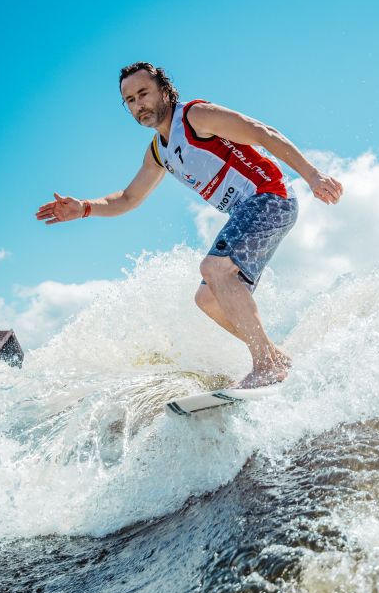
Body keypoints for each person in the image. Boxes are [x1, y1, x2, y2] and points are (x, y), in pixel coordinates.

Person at [35, 62, 343, 388]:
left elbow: (262, 133)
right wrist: (84, 208)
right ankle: (273, 355)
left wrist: (312, 175)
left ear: (165, 91)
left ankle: (266, 363)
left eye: (144, 93)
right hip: (250, 211)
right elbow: (127, 199)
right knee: (208, 299)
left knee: (215, 268)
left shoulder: (195, 117)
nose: (139, 104)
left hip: (270, 197)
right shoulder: (158, 151)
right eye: (130, 100)